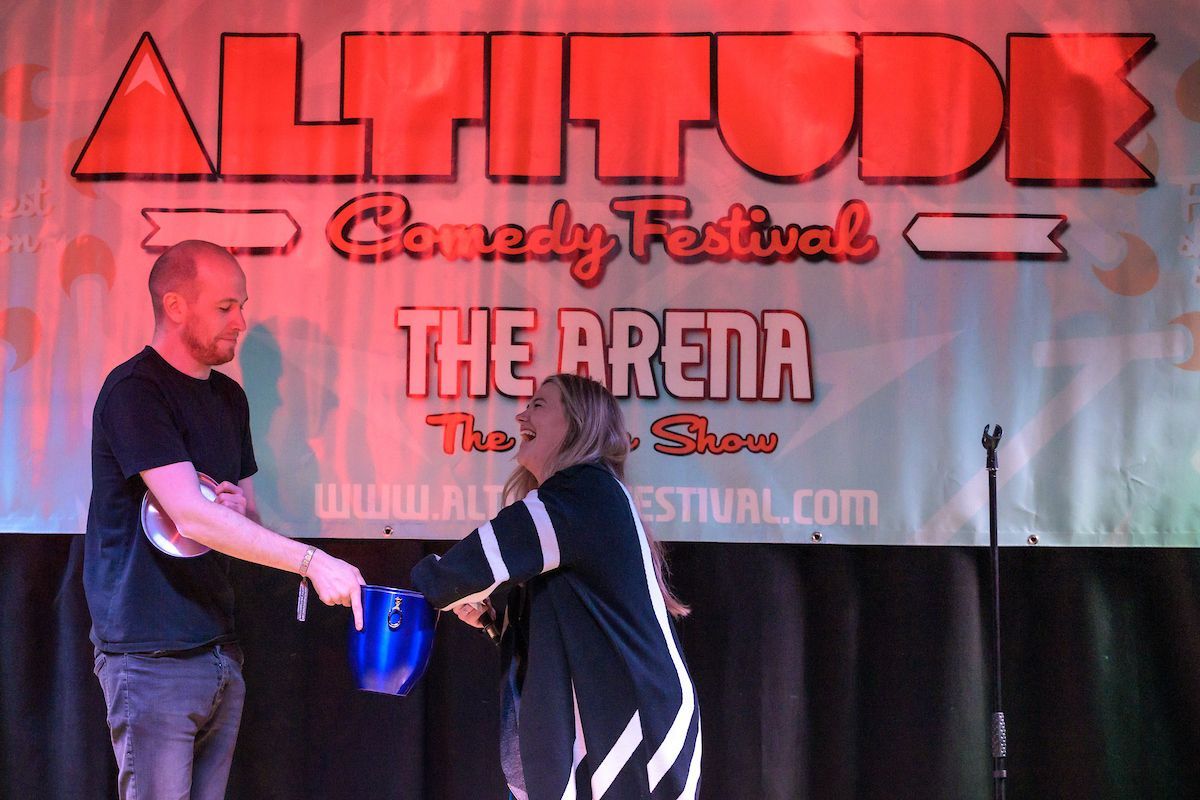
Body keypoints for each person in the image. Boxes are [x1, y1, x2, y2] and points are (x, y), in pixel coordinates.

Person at [83, 239, 365, 800]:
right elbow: (191, 516)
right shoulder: (136, 392)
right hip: (151, 654)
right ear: (175, 306)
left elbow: (245, 514)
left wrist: (240, 510)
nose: (240, 321)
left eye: (242, 306)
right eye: (225, 307)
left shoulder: (229, 397)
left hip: (217, 645)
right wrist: (312, 562)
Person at [411, 373, 702, 800]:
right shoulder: (580, 497)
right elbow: (559, 627)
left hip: (631, 723)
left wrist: (406, 586)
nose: (521, 415)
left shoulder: (582, 490)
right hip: (613, 717)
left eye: (539, 405)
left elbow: (455, 575)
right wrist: (492, 618)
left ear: (577, 424)